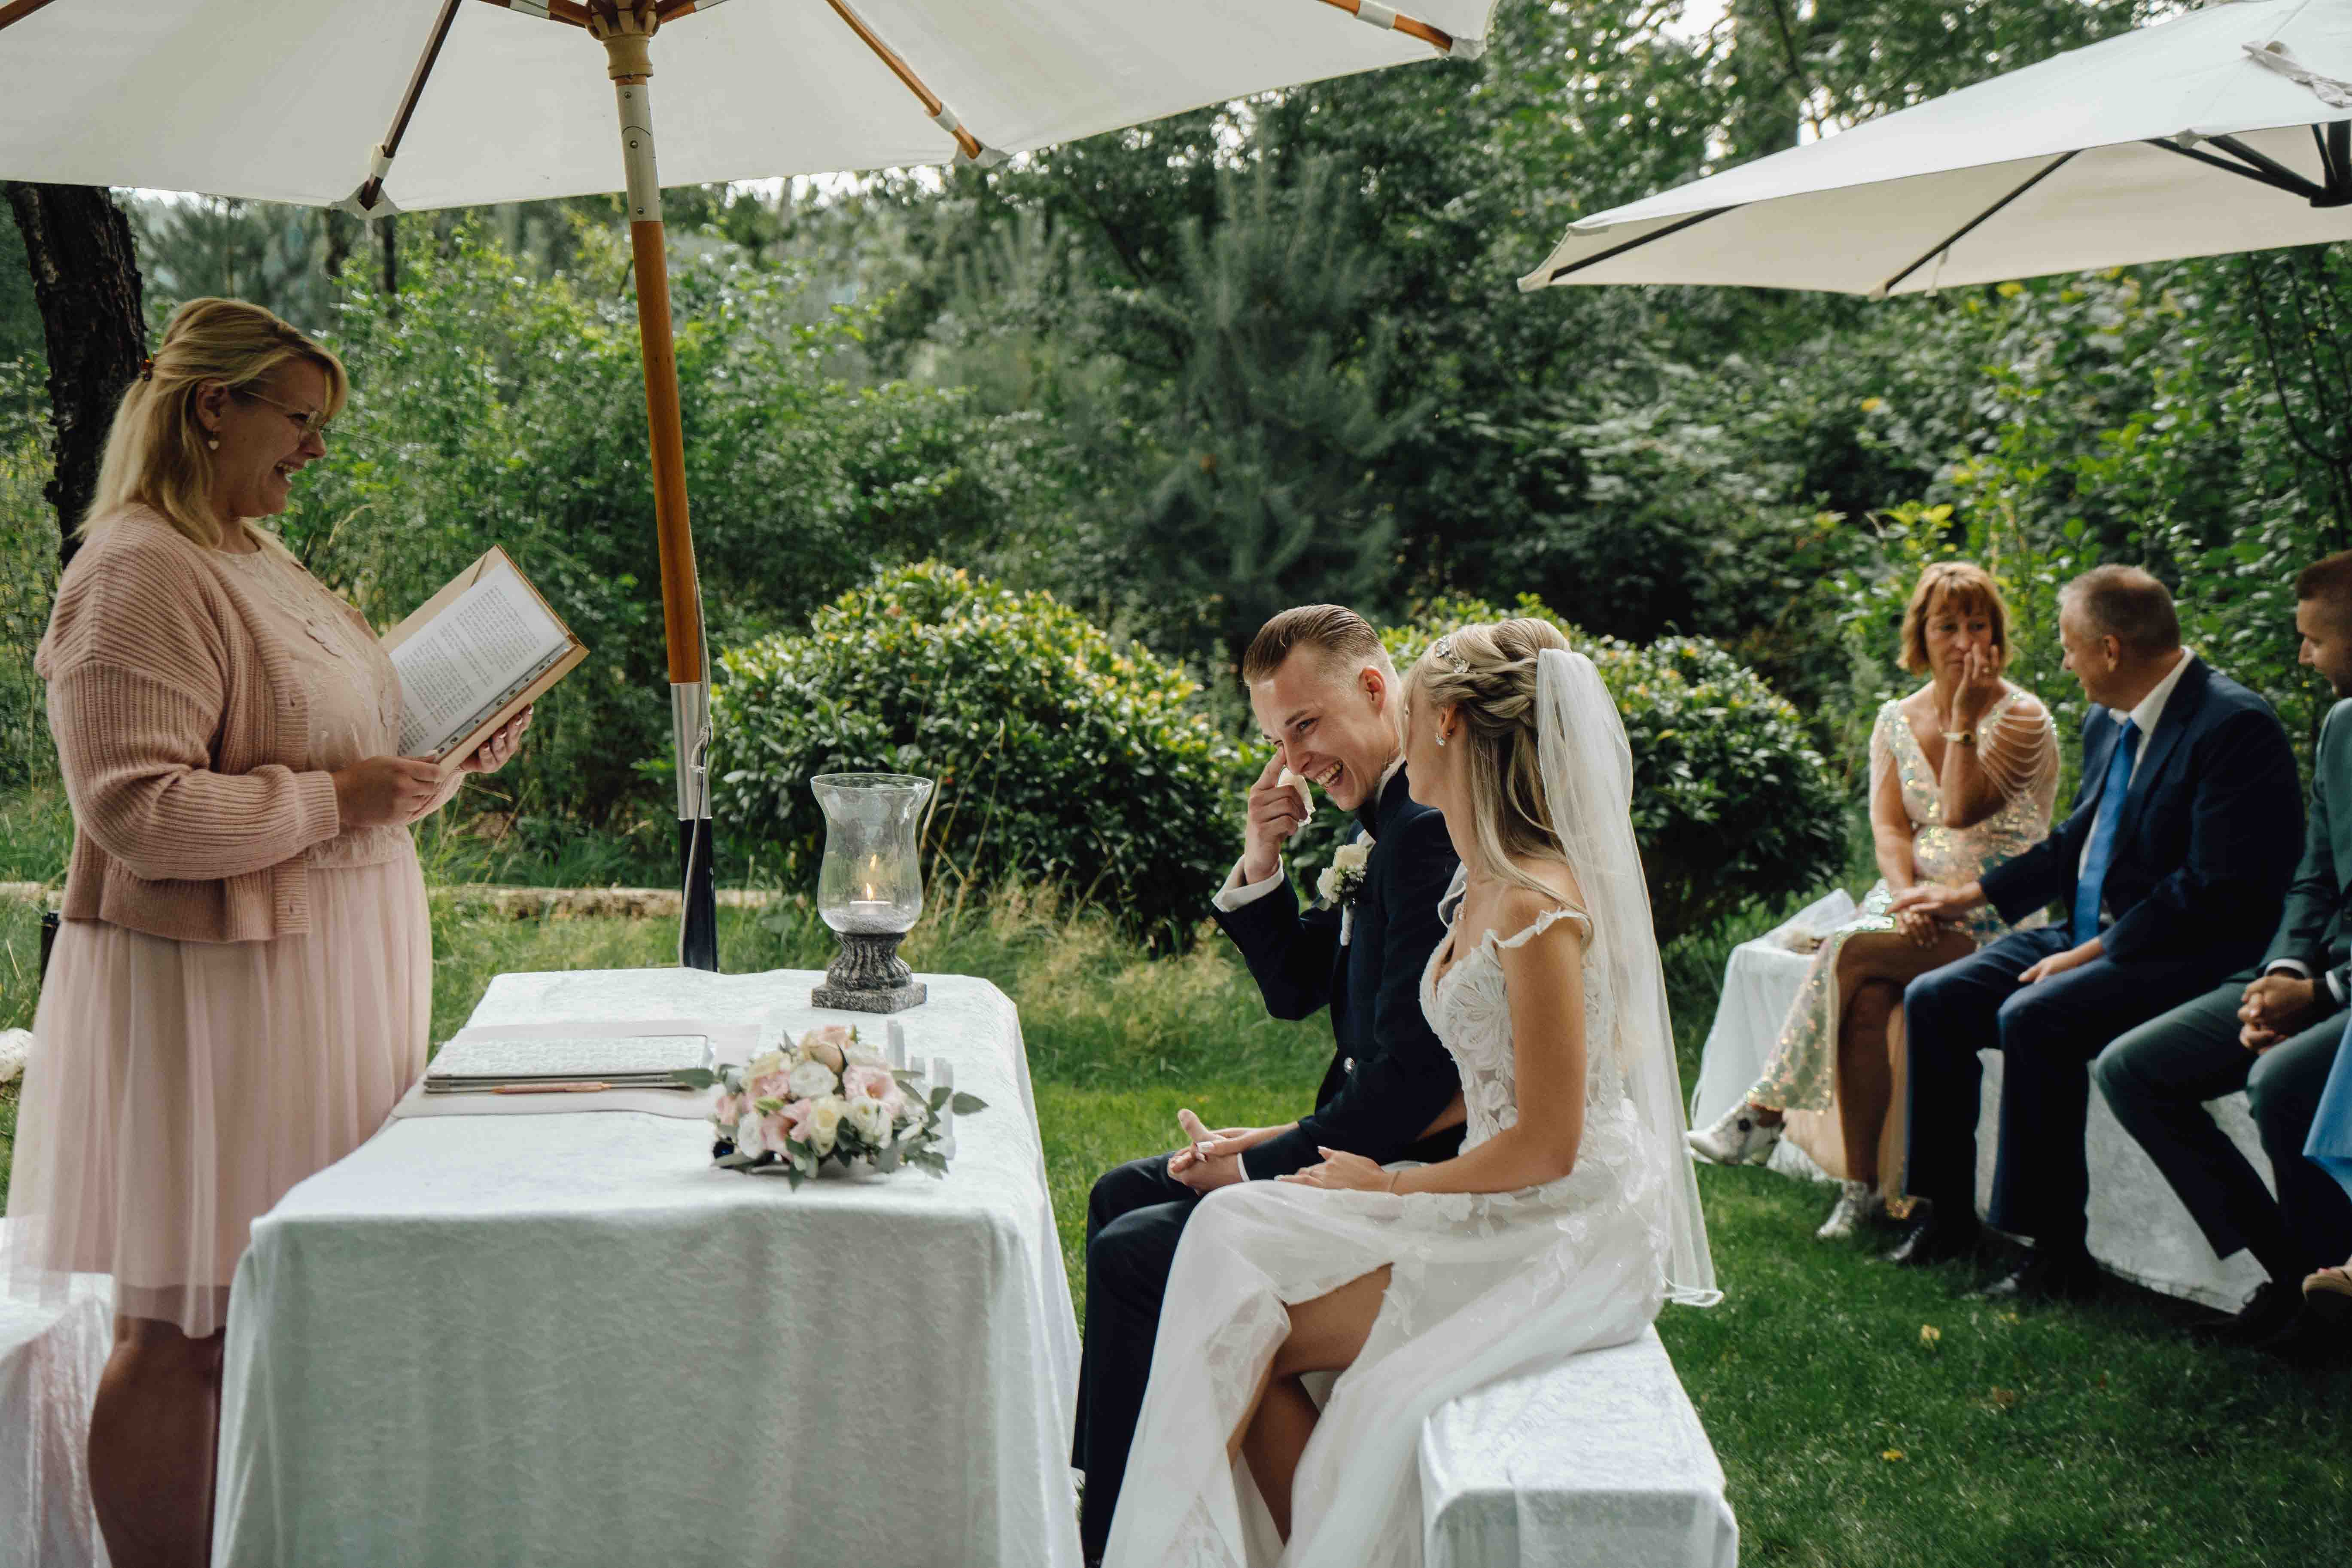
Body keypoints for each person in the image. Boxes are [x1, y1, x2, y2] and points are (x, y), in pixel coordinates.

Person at [0, 298, 530, 1568]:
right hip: (217, 993)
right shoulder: (137, 568)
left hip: (322, 973)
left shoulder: (251, 551)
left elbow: (336, 737)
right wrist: (338, 798)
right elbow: (136, 810)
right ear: (211, 406)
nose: (315, 454)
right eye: (302, 423)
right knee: (182, 1322)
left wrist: (446, 749)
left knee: (269, 1307)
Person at [1103, 619, 1717, 1568]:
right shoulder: (1469, 879)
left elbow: (1549, 1143)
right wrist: (1294, 1144)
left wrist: (1379, 1186)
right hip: (1486, 1179)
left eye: (1418, 702)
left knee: (1228, 1313)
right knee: (1221, 1265)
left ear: (1449, 724)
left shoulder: (1530, 903)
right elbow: (1455, 1067)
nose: (1293, 762)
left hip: (1558, 1219)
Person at [1072, 605, 1463, 1564]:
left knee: (1135, 1249)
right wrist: (1264, 859)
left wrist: (1259, 1167)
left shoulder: (1422, 832)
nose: (1294, 760)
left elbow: (1415, 1081)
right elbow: (1299, 993)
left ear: (1375, 689)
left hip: (1409, 1171)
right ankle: (1102, 1481)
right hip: (1362, 1131)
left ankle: (1115, 1531)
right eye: (1277, 737)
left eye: (1306, 725)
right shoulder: (1381, 821)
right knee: (1123, 1189)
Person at [1889, 566, 2302, 1302]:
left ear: (2110, 649)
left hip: (2191, 952)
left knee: (2036, 1016)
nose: (2064, 662)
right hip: (2096, 933)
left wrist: (2090, 953)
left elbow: (2212, 889)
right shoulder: (2109, 718)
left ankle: (2053, 1252)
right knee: (1934, 998)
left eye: (2071, 646)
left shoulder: (2234, 725)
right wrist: (1963, 898)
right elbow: (2074, 840)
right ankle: (1946, 1215)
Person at [1689, 563, 2057, 1239]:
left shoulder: (2022, 716)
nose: (1962, 641)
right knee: (1862, 1003)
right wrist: (1903, 896)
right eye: (1946, 626)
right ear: (1920, 634)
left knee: (1847, 948)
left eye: (1977, 625)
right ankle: (1861, 1191)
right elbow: (1890, 826)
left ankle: (1762, 1113)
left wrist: (1964, 719)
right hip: (1911, 908)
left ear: (1997, 634)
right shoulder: (1895, 718)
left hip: (1993, 920)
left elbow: (1957, 807)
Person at [2090, 554, 2352, 1357]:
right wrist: (2283, 971)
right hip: (2308, 973)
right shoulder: (2341, 728)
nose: (2301, 657)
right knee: (2130, 1069)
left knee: (2278, 1083)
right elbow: (2313, 875)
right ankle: (2293, 1276)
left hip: (2341, 996)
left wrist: (2325, 994)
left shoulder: (2237, 721)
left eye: (2313, 640)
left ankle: (2326, 1306)